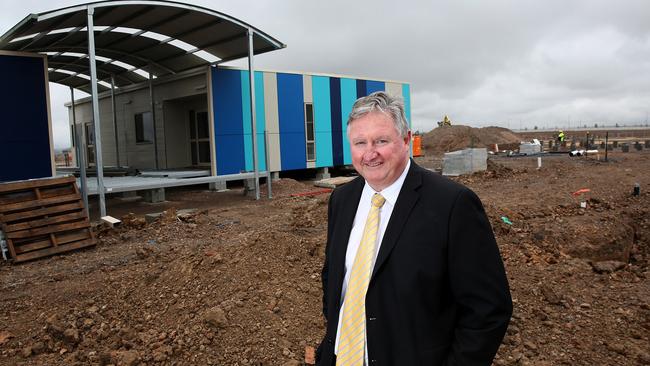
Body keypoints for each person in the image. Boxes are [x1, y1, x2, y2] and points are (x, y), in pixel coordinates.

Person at [317, 91, 512, 365]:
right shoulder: (342, 200)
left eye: (381, 141)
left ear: (406, 139)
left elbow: (487, 310)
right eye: (360, 143)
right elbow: (335, 277)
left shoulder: (452, 205)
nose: (370, 153)